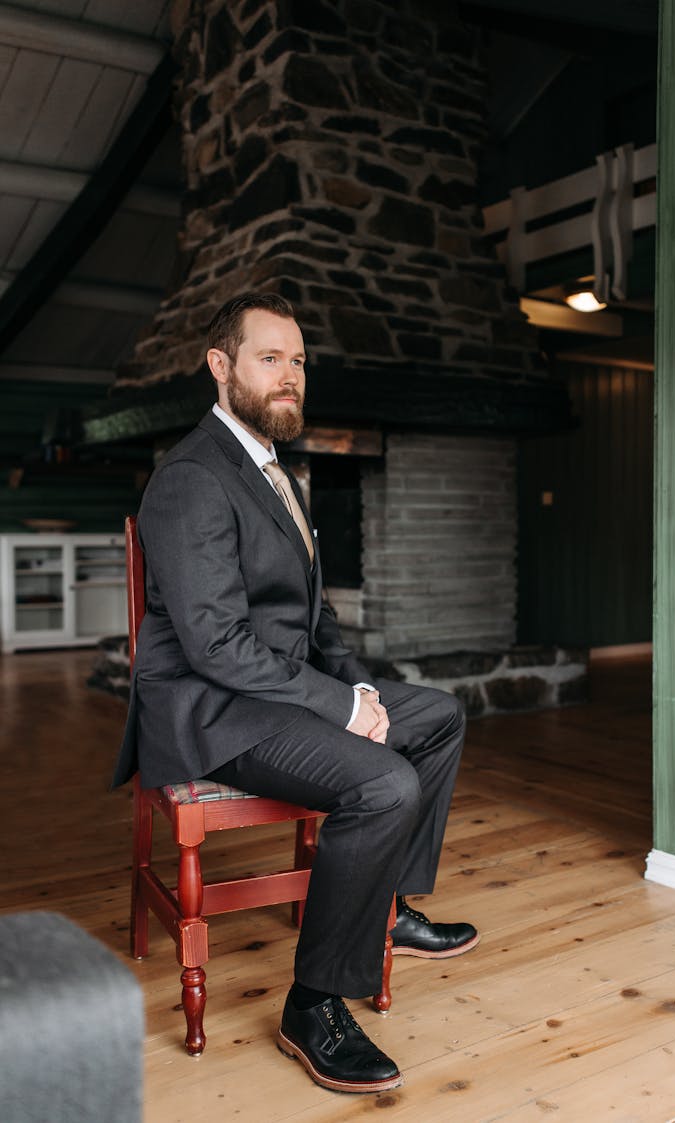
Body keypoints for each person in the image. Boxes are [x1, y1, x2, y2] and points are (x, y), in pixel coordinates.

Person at [112, 292, 479, 1094]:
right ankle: (311, 1006)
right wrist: (340, 707)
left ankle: (387, 904)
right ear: (221, 367)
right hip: (211, 713)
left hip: (281, 690)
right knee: (387, 782)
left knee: (439, 715)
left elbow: (318, 621)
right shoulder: (191, 478)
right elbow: (214, 645)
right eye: (269, 358)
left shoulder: (277, 474)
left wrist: (356, 686)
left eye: (299, 361)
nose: (290, 376)